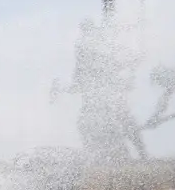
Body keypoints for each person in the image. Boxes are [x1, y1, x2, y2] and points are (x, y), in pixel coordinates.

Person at [62, 20, 148, 161]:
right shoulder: (87, 55)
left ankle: (138, 153)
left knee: (124, 120)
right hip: (98, 104)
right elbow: (78, 83)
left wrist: (133, 62)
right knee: (101, 124)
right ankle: (115, 155)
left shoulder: (96, 51)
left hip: (108, 100)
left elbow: (115, 63)